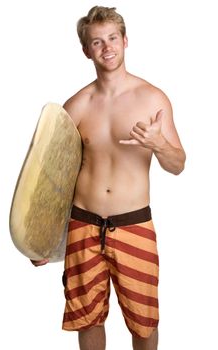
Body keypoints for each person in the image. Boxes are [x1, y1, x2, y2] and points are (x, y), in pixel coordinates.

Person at [31, 6, 186, 350]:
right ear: (86, 50)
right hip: (82, 224)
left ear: (126, 40)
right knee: (86, 318)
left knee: (143, 323)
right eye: (97, 42)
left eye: (113, 38)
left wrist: (159, 143)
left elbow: (178, 164)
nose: (107, 47)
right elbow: (55, 180)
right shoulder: (75, 106)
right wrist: (41, 237)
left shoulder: (152, 98)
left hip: (134, 225)